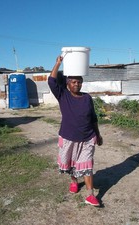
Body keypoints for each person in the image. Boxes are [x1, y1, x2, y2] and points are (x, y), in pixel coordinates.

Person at [48, 55, 103, 207]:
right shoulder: (63, 95)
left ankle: (90, 195)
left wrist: (98, 134)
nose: (77, 84)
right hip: (68, 137)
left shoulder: (87, 98)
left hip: (87, 137)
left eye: (79, 82)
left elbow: (93, 117)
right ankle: (74, 181)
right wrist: (58, 62)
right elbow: (51, 81)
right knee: (72, 163)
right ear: (68, 84)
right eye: (74, 82)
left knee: (87, 165)